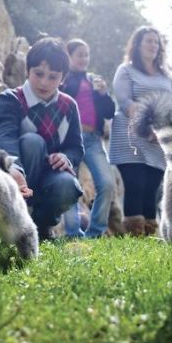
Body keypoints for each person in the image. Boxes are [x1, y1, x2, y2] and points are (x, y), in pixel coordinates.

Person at [0, 37, 84, 240]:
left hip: (52, 177)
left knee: (68, 185)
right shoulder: (11, 99)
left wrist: (65, 157)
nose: (44, 82)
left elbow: (76, 148)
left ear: (63, 78)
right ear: (28, 70)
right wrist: (14, 168)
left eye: (53, 77)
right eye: (39, 74)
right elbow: (3, 137)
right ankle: (18, 221)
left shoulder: (69, 106)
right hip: (19, 173)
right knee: (33, 142)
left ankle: (43, 228)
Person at [109, 25, 172, 236]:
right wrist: (148, 128)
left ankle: (150, 236)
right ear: (137, 45)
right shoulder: (126, 70)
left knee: (152, 190)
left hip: (159, 140)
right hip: (131, 137)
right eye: (148, 40)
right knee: (136, 185)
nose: (153, 45)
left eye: (156, 42)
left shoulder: (167, 77)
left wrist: (168, 131)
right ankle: (135, 236)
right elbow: (125, 102)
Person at [60, 39, 116, 238]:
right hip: (70, 138)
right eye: (79, 54)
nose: (84, 59)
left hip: (93, 139)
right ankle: (73, 233)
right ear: (69, 57)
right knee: (69, 185)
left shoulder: (94, 80)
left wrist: (103, 93)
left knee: (107, 184)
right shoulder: (63, 80)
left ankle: (95, 233)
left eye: (86, 55)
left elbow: (110, 112)